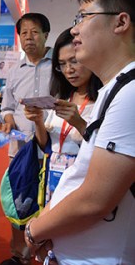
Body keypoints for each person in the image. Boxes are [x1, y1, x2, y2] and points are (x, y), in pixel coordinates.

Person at [24, 0, 135, 265]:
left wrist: (34, 230)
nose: (74, 29)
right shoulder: (116, 89)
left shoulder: (131, 93)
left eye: (83, 17)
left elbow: (96, 199)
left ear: (121, 22)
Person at [0, 12, 53, 265]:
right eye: (24, 33)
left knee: (52, 201)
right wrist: (8, 120)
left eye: (34, 32)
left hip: (54, 149)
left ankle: (51, 256)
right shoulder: (14, 72)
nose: (28, 37)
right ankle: (20, 255)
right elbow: (6, 107)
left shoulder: (61, 66)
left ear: (46, 34)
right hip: (20, 148)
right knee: (18, 202)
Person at [24, 28, 101, 203]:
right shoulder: (62, 99)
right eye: (62, 64)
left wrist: (80, 124)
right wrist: (37, 121)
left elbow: (105, 152)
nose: (68, 70)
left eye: (74, 61)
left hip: (83, 178)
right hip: (53, 173)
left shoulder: (102, 101)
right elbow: (46, 145)